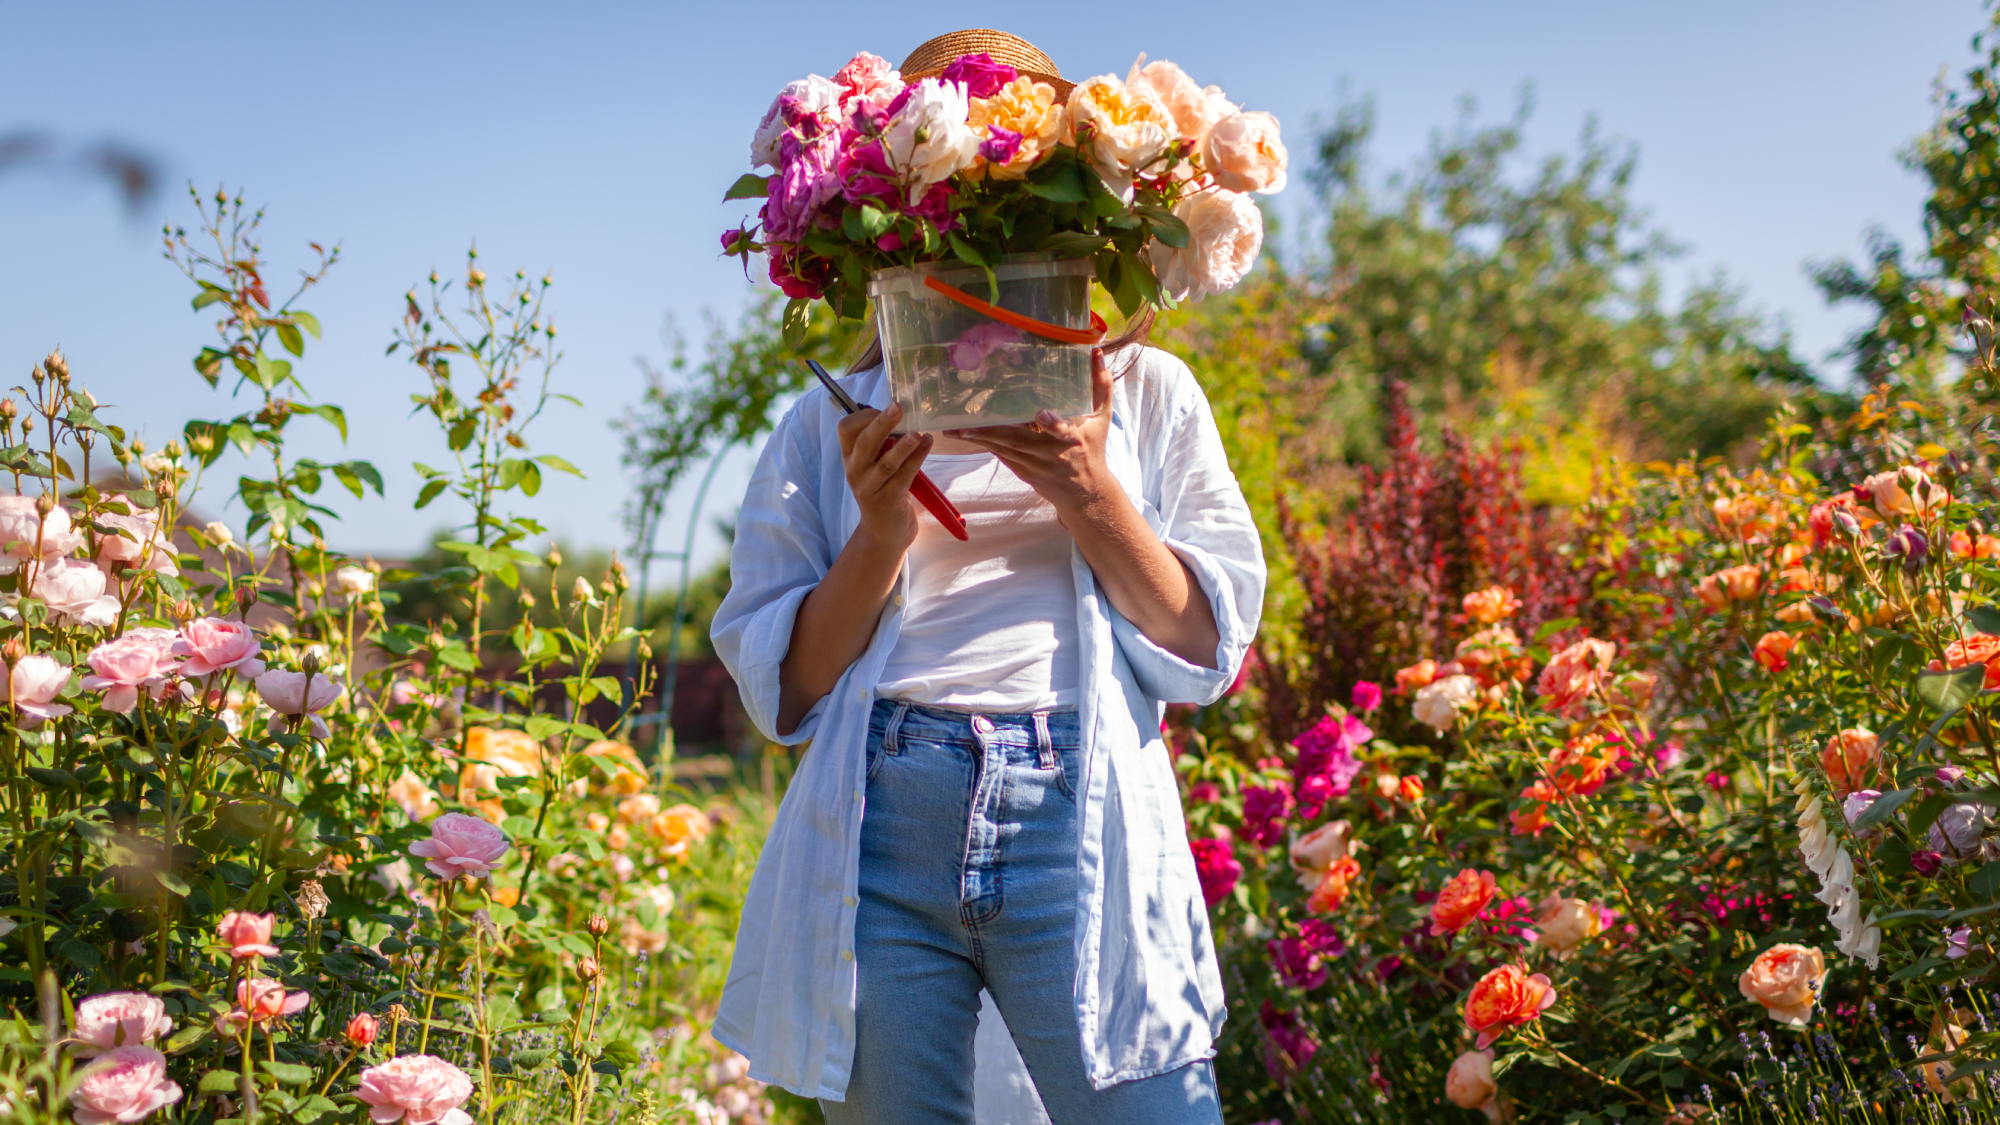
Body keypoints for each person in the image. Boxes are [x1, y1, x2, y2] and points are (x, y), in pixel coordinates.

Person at [710, 41, 1265, 1125]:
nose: (978, 248)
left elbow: (1206, 646)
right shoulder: (834, 413)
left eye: (1005, 218)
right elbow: (790, 687)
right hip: (885, 812)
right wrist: (877, 532)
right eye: (952, 219)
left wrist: (1087, 485)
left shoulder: (1144, 392)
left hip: (1076, 806)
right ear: (898, 228)